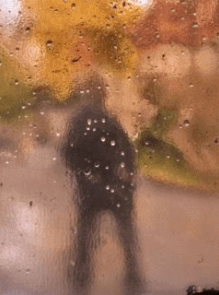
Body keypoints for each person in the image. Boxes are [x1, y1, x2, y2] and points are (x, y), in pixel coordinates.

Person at [62, 78, 143, 295]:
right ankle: (133, 277)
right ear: (102, 96)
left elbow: (68, 153)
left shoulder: (79, 121)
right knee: (125, 233)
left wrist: (83, 175)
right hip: (116, 188)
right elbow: (127, 151)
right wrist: (127, 178)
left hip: (91, 190)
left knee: (85, 236)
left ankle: (81, 278)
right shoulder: (110, 120)